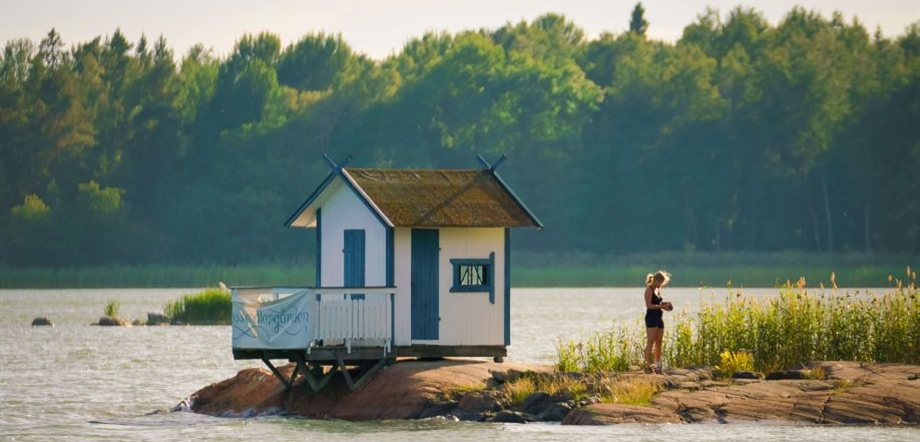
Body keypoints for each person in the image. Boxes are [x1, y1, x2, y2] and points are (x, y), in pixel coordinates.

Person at [643, 270, 672, 374]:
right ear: (657, 280)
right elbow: (649, 305)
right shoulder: (649, 290)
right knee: (650, 341)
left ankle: (657, 365)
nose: (661, 285)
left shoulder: (657, 290)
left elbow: (658, 302)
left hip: (659, 317)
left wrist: (666, 304)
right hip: (651, 318)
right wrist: (661, 306)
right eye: (661, 283)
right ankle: (647, 366)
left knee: (659, 342)